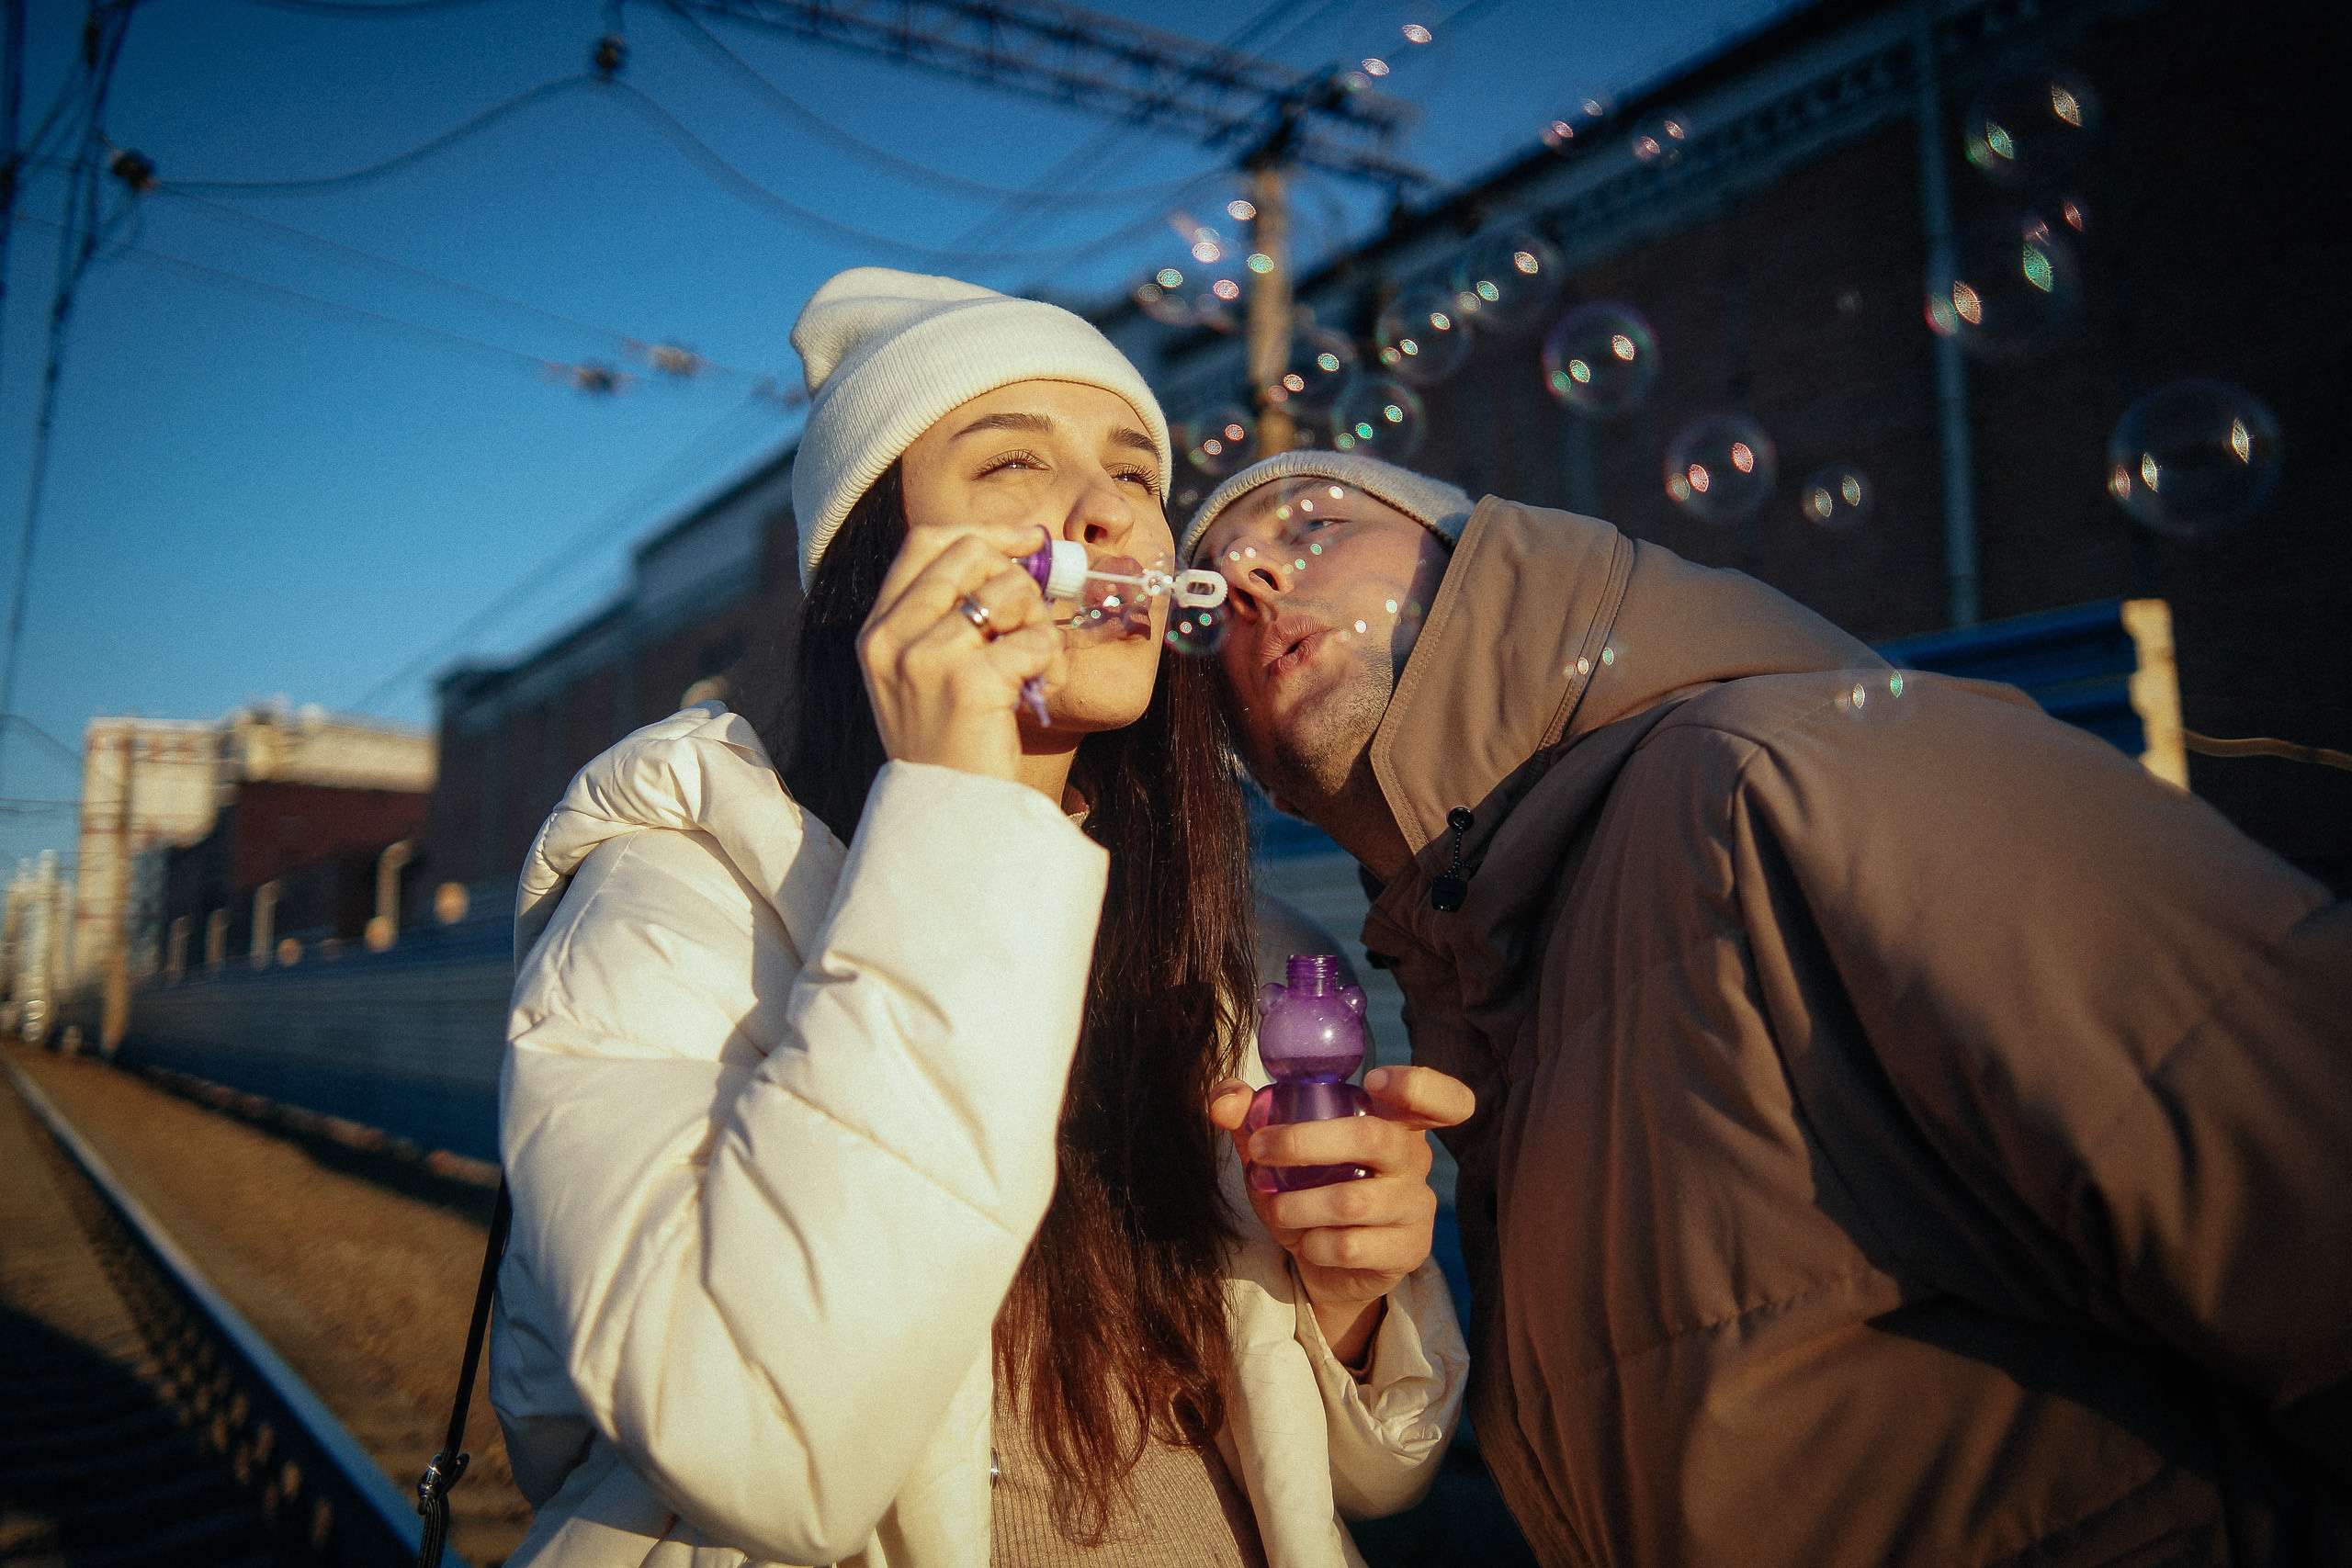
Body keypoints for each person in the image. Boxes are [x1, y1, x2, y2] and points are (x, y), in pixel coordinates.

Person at [1187, 449, 2352, 1567]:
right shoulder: (1493, 983)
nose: (1253, 580)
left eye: (1316, 525)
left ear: (1485, 558)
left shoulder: (1795, 771)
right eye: (1212, 595)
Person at [488, 272, 1471, 1568]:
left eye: (1135, 472)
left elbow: (1367, 1477)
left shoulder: (1255, 955)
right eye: (1012, 461)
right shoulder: (672, 904)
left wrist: (1345, 1303)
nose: (1109, 507)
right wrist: (958, 800)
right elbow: (759, 1442)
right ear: (869, 569)